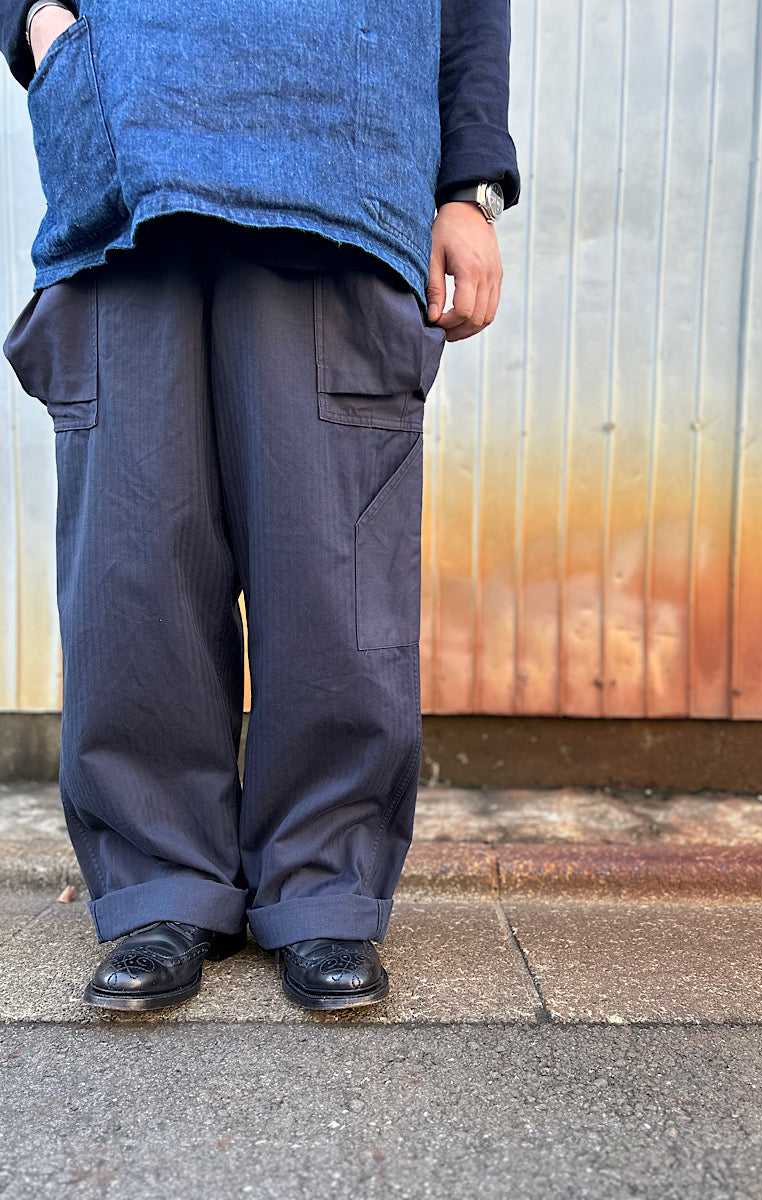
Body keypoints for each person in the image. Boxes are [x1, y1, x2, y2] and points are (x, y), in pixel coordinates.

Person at [1, 0, 520, 1012]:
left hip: (340, 149)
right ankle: (161, 885)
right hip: (125, 159)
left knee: (333, 571)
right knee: (132, 562)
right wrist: (42, 26)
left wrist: (467, 185)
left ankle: (324, 891)